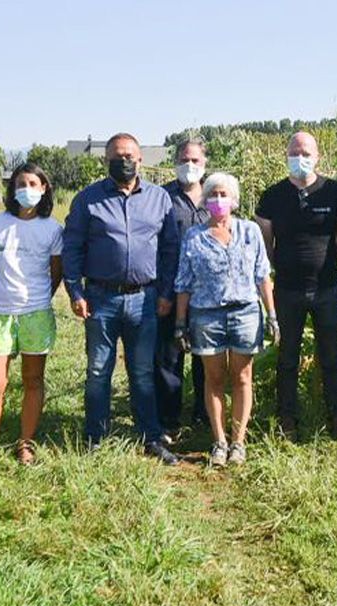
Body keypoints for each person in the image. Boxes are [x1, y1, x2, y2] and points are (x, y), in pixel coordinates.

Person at [62, 133, 180, 464]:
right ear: (106, 160)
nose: (124, 160)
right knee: (99, 369)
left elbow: (170, 249)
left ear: (141, 159)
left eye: (129, 155)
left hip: (145, 298)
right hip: (101, 297)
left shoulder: (159, 198)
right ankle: (95, 437)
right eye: (117, 155)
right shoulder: (87, 199)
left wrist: (167, 292)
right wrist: (75, 291)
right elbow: (72, 246)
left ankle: (150, 436)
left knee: (142, 370)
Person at [174, 172, 277, 467]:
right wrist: (180, 323)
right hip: (207, 316)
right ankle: (219, 440)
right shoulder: (194, 237)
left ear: (234, 200)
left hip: (245, 312)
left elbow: (262, 275)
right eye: (213, 195)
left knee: (243, 377)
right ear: (205, 201)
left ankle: (239, 440)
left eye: (224, 195)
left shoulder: (250, 232)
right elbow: (184, 282)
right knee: (214, 378)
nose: (219, 200)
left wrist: (272, 315)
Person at [255, 131, 337, 441]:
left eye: (306, 153)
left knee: (332, 356)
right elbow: (266, 245)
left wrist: (323, 261)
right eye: (295, 152)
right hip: (287, 290)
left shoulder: (334, 192)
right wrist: (282, 263)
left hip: (326, 289)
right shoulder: (272, 197)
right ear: (287, 156)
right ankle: (287, 417)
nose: (301, 158)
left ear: (317, 156)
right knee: (287, 358)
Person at [0, 163, 63, 464]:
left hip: (36, 313)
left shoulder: (52, 229)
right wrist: (1, 294)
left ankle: (25, 442)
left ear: (43, 189)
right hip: (0, 313)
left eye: (32, 184)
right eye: (20, 184)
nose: (26, 190)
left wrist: (36, 299)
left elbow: (56, 274)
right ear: (12, 190)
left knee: (33, 380)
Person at [157, 138, 210, 438]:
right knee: (169, 357)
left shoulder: (214, 196)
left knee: (205, 355)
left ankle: (203, 414)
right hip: (170, 290)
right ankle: (169, 419)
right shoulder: (163, 197)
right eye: (184, 159)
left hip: (205, 293)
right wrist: (163, 292)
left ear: (204, 164)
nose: (189, 165)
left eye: (195, 161)